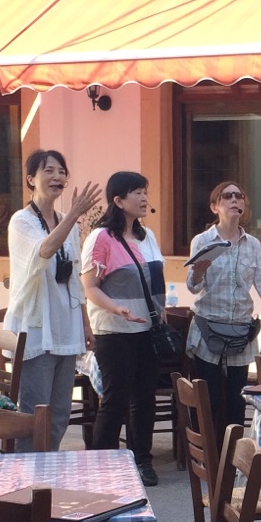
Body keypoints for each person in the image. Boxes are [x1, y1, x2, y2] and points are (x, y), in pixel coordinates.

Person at [4, 150, 102, 448]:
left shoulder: (65, 222)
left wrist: (85, 323)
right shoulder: (21, 221)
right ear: (31, 179)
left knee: (60, 413)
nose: (57, 176)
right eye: (48, 170)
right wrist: (74, 215)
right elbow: (43, 252)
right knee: (35, 412)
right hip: (37, 329)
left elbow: (74, 277)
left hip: (66, 327)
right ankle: (27, 472)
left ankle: (49, 469)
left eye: (61, 171)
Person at [79, 171, 166, 486]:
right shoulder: (101, 238)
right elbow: (90, 286)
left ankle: (142, 461)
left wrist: (160, 310)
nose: (144, 198)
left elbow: (154, 279)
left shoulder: (147, 236)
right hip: (114, 331)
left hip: (147, 330)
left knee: (145, 399)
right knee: (116, 400)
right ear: (118, 200)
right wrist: (117, 308)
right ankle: (102, 466)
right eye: (136, 192)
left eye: (145, 191)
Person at [183, 180, 261, 431]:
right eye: (227, 196)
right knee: (209, 398)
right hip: (208, 330)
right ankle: (208, 452)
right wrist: (198, 273)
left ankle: (233, 452)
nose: (234, 200)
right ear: (215, 207)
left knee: (236, 400)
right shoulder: (202, 241)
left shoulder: (252, 244)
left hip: (240, 331)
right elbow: (193, 287)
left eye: (239, 196)